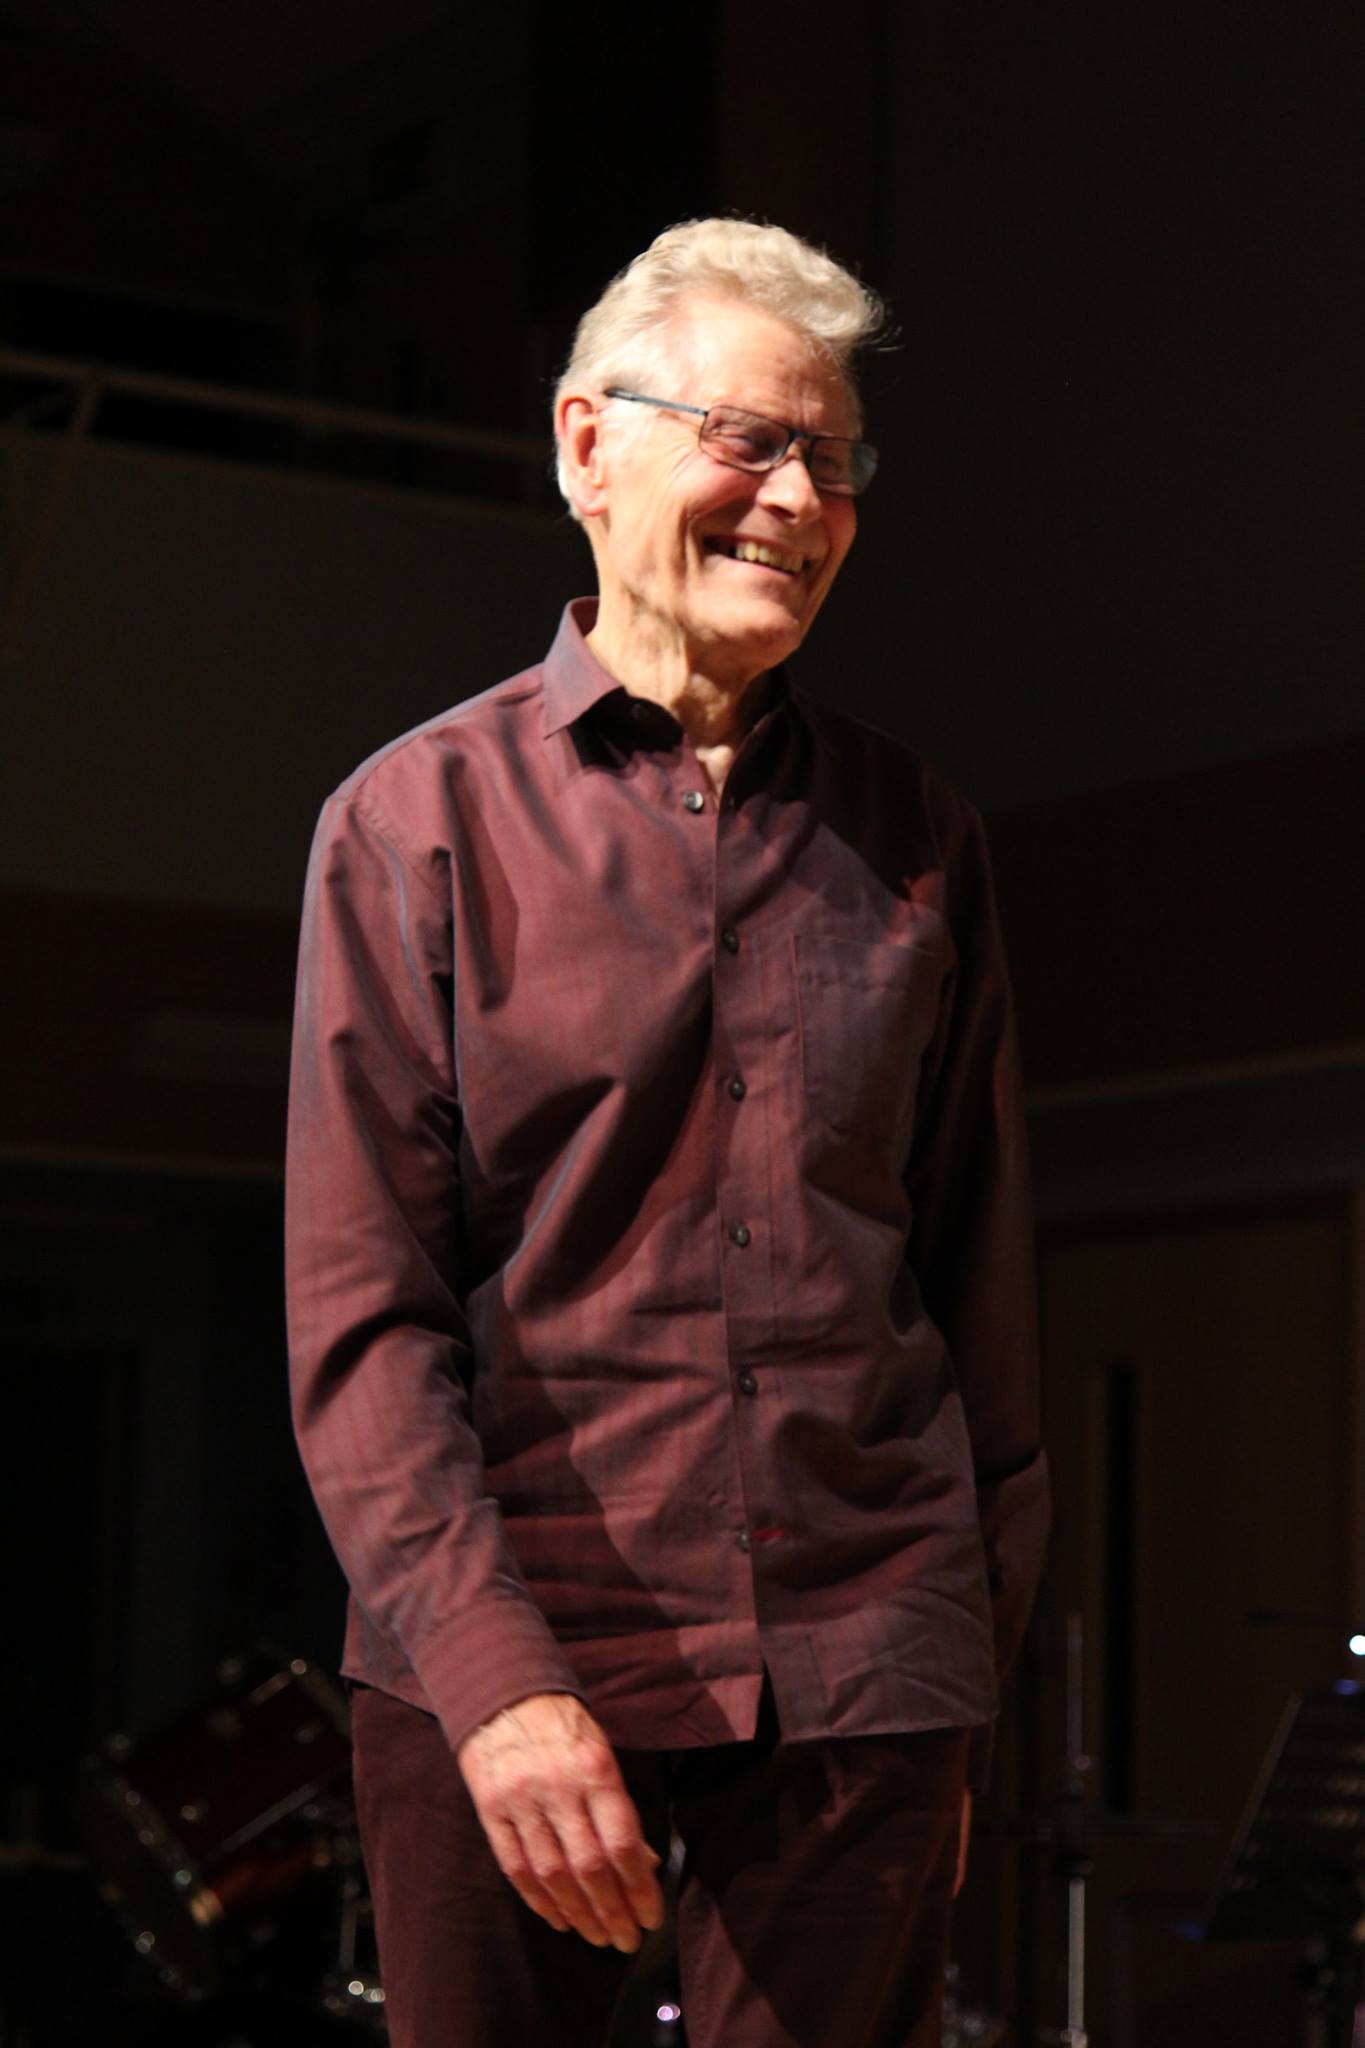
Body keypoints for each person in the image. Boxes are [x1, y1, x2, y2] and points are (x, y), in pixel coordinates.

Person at [286, 217, 1049, 2048]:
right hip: (514, 1645)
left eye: (832, 461)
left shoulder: (917, 835)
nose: (797, 500)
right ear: (586, 447)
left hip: (863, 1672)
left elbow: (982, 1296)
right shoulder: (412, 824)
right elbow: (367, 1325)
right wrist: (494, 1685)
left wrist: (956, 1685)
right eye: (747, 440)